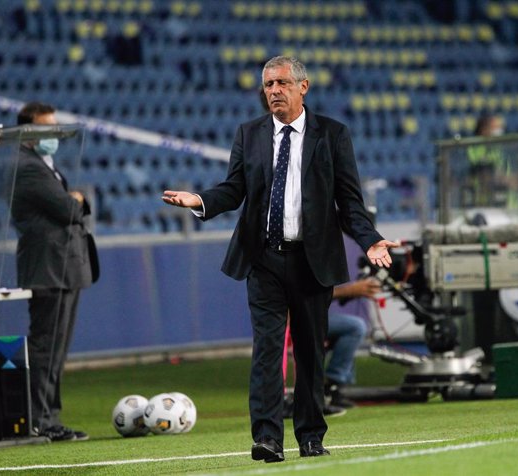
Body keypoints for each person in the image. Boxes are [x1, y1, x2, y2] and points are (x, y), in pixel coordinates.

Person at [162, 56, 397, 463]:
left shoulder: (333, 135)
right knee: (267, 351)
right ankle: (267, 438)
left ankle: (310, 435)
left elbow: (350, 203)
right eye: (268, 84)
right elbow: (234, 188)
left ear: (302, 87)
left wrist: (371, 240)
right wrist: (200, 200)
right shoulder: (249, 134)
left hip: (312, 261)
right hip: (264, 258)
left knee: (310, 353)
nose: (274, 91)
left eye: (282, 83)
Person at [10, 102, 98, 442]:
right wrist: (74, 200)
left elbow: (76, 205)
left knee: (56, 350)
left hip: (63, 268)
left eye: (54, 127)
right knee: (46, 348)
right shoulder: (28, 167)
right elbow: (67, 209)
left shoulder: (44, 165)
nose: (54, 134)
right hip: (48, 268)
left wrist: (76, 200)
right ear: (28, 132)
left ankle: (50, 418)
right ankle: (40, 420)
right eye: (46, 128)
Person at [325, 277, 381, 408]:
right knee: (355, 327)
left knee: (351, 328)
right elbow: (304, 293)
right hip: (291, 319)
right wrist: (349, 290)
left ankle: (335, 389)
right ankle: (332, 385)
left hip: (307, 316)